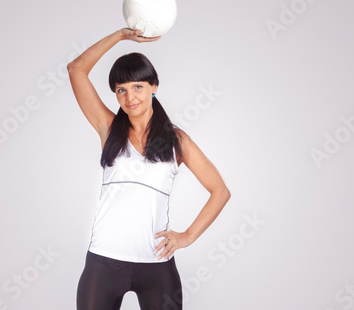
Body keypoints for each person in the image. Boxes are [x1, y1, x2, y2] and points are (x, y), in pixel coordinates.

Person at [67, 28, 231, 310]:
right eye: (121, 90)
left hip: (156, 268)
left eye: (138, 87)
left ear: (154, 87)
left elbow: (220, 191)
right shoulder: (108, 128)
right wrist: (120, 36)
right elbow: (76, 69)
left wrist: (188, 236)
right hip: (103, 263)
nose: (130, 97)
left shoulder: (177, 141)